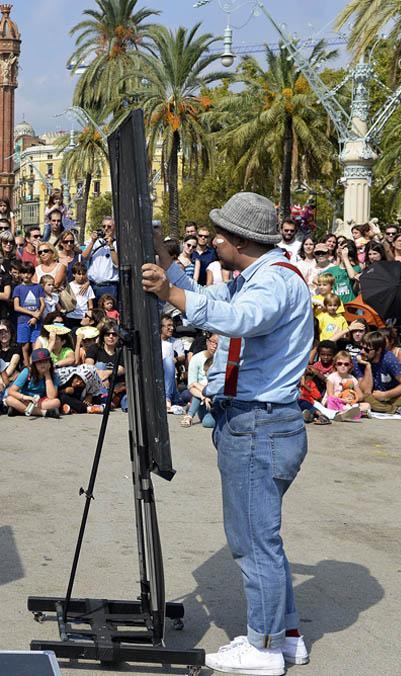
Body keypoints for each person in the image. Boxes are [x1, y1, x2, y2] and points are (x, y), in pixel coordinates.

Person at [141, 192, 313, 675]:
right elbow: (215, 300)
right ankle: (286, 637)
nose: (214, 239)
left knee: (254, 541)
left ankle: (262, 647)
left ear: (241, 240)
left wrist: (171, 295)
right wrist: (167, 264)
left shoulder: (274, 283)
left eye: (220, 232)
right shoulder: (261, 276)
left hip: (259, 424)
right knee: (265, 539)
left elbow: (239, 319)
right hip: (264, 422)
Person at [4, 348, 62, 418]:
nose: (43, 364)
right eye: (39, 362)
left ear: (50, 362)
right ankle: (44, 412)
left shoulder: (54, 374)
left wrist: (47, 374)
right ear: (34, 364)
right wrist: (24, 397)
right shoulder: (27, 372)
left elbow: (51, 396)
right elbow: (11, 391)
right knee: (9, 399)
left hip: (39, 401)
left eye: (45, 361)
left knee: (56, 402)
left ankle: (20, 410)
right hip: (25, 399)